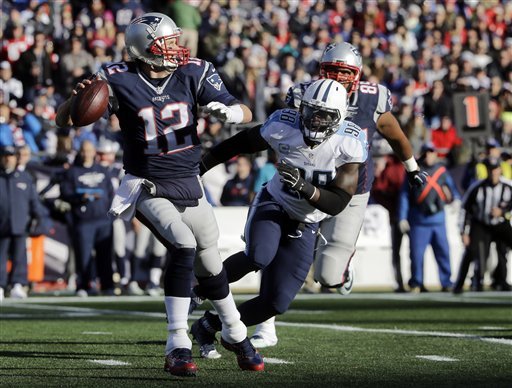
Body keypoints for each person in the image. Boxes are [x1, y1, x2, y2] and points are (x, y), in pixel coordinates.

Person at [55, 12, 262, 377]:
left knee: (211, 264)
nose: (175, 49)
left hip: (190, 182)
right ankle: (177, 343)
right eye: (165, 43)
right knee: (183, 244)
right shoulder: (116, 77)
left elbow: (244, 109)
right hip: (147, 184)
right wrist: (73, 104)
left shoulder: (194, 71)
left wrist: (231, 111)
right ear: (144, 48)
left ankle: (235, 331)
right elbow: (64, 120)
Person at [249, 42, 427, 347]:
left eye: (344, 72)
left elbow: (395, 133)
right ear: (321, 70)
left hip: (350, 192)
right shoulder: (302, 93)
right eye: (332, 71)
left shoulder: (372, 98)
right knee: (274, 253)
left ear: (356, 75)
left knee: (329, 277)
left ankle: (343, 268)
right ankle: (265, 324)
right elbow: (284, 131)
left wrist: (411, 167)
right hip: (302, 188)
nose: (338, 77)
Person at [191, 79, 368, 358]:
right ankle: (198, 290)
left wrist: (304, 187)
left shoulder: (349, 142)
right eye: (312, 111)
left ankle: (208, 324)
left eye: (325, 115)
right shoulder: (284, 125)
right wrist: (201, 166)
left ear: (340, 117)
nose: (317, 120)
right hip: (274, 204)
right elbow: (240, 143)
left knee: (276, 302)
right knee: (258, 256)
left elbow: (338, 203)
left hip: (307, 221)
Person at [398, 142, 460, 292]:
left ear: (436, 154)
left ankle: (446, 282)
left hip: (438, 220)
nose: (429, 155)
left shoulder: (442, 171)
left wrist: (456, 200)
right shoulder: (414, 171)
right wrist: (402, 217)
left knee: (443, 253)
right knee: (416, 255)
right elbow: (405, 195)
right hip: (418, 220)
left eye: (432, 152)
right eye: (427, 152)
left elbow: (453, 190)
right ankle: (416, 282)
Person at [59, 140, 115, 297]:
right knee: (83, 255)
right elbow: (65, 193)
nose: (86, 154)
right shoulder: (72, 172)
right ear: (80, 152)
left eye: (89, 150)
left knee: (105, 255)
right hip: (83, 221)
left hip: (103, 220)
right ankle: (84, 285)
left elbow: (111, 193)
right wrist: (81, 197)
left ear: (94, 152)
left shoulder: (103, 171)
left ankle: (107, 286)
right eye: (83, 151)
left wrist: (111, 214)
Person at [453, 157, 512, 293]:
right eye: (490, 169)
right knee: (473, 252)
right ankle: (462, 284)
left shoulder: (508, 187)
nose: (493, 172)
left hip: (501, 224)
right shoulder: (477, 187)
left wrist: (503, 212)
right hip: (481, 224)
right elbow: (465, 209)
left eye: (495, 169)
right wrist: (463, 232)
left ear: (500, 170)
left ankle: (501, 281)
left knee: (503, 252)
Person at [0, 145, 46, 300]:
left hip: (20, 224)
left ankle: (17, 284)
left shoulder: (24, 177)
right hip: (1, 226)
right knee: (1, 257)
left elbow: (34, 201)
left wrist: (40, 217)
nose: (8, 158)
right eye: (5, 155)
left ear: (15, 158)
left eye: (11, 155)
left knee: (20, 257)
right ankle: (0, 286)